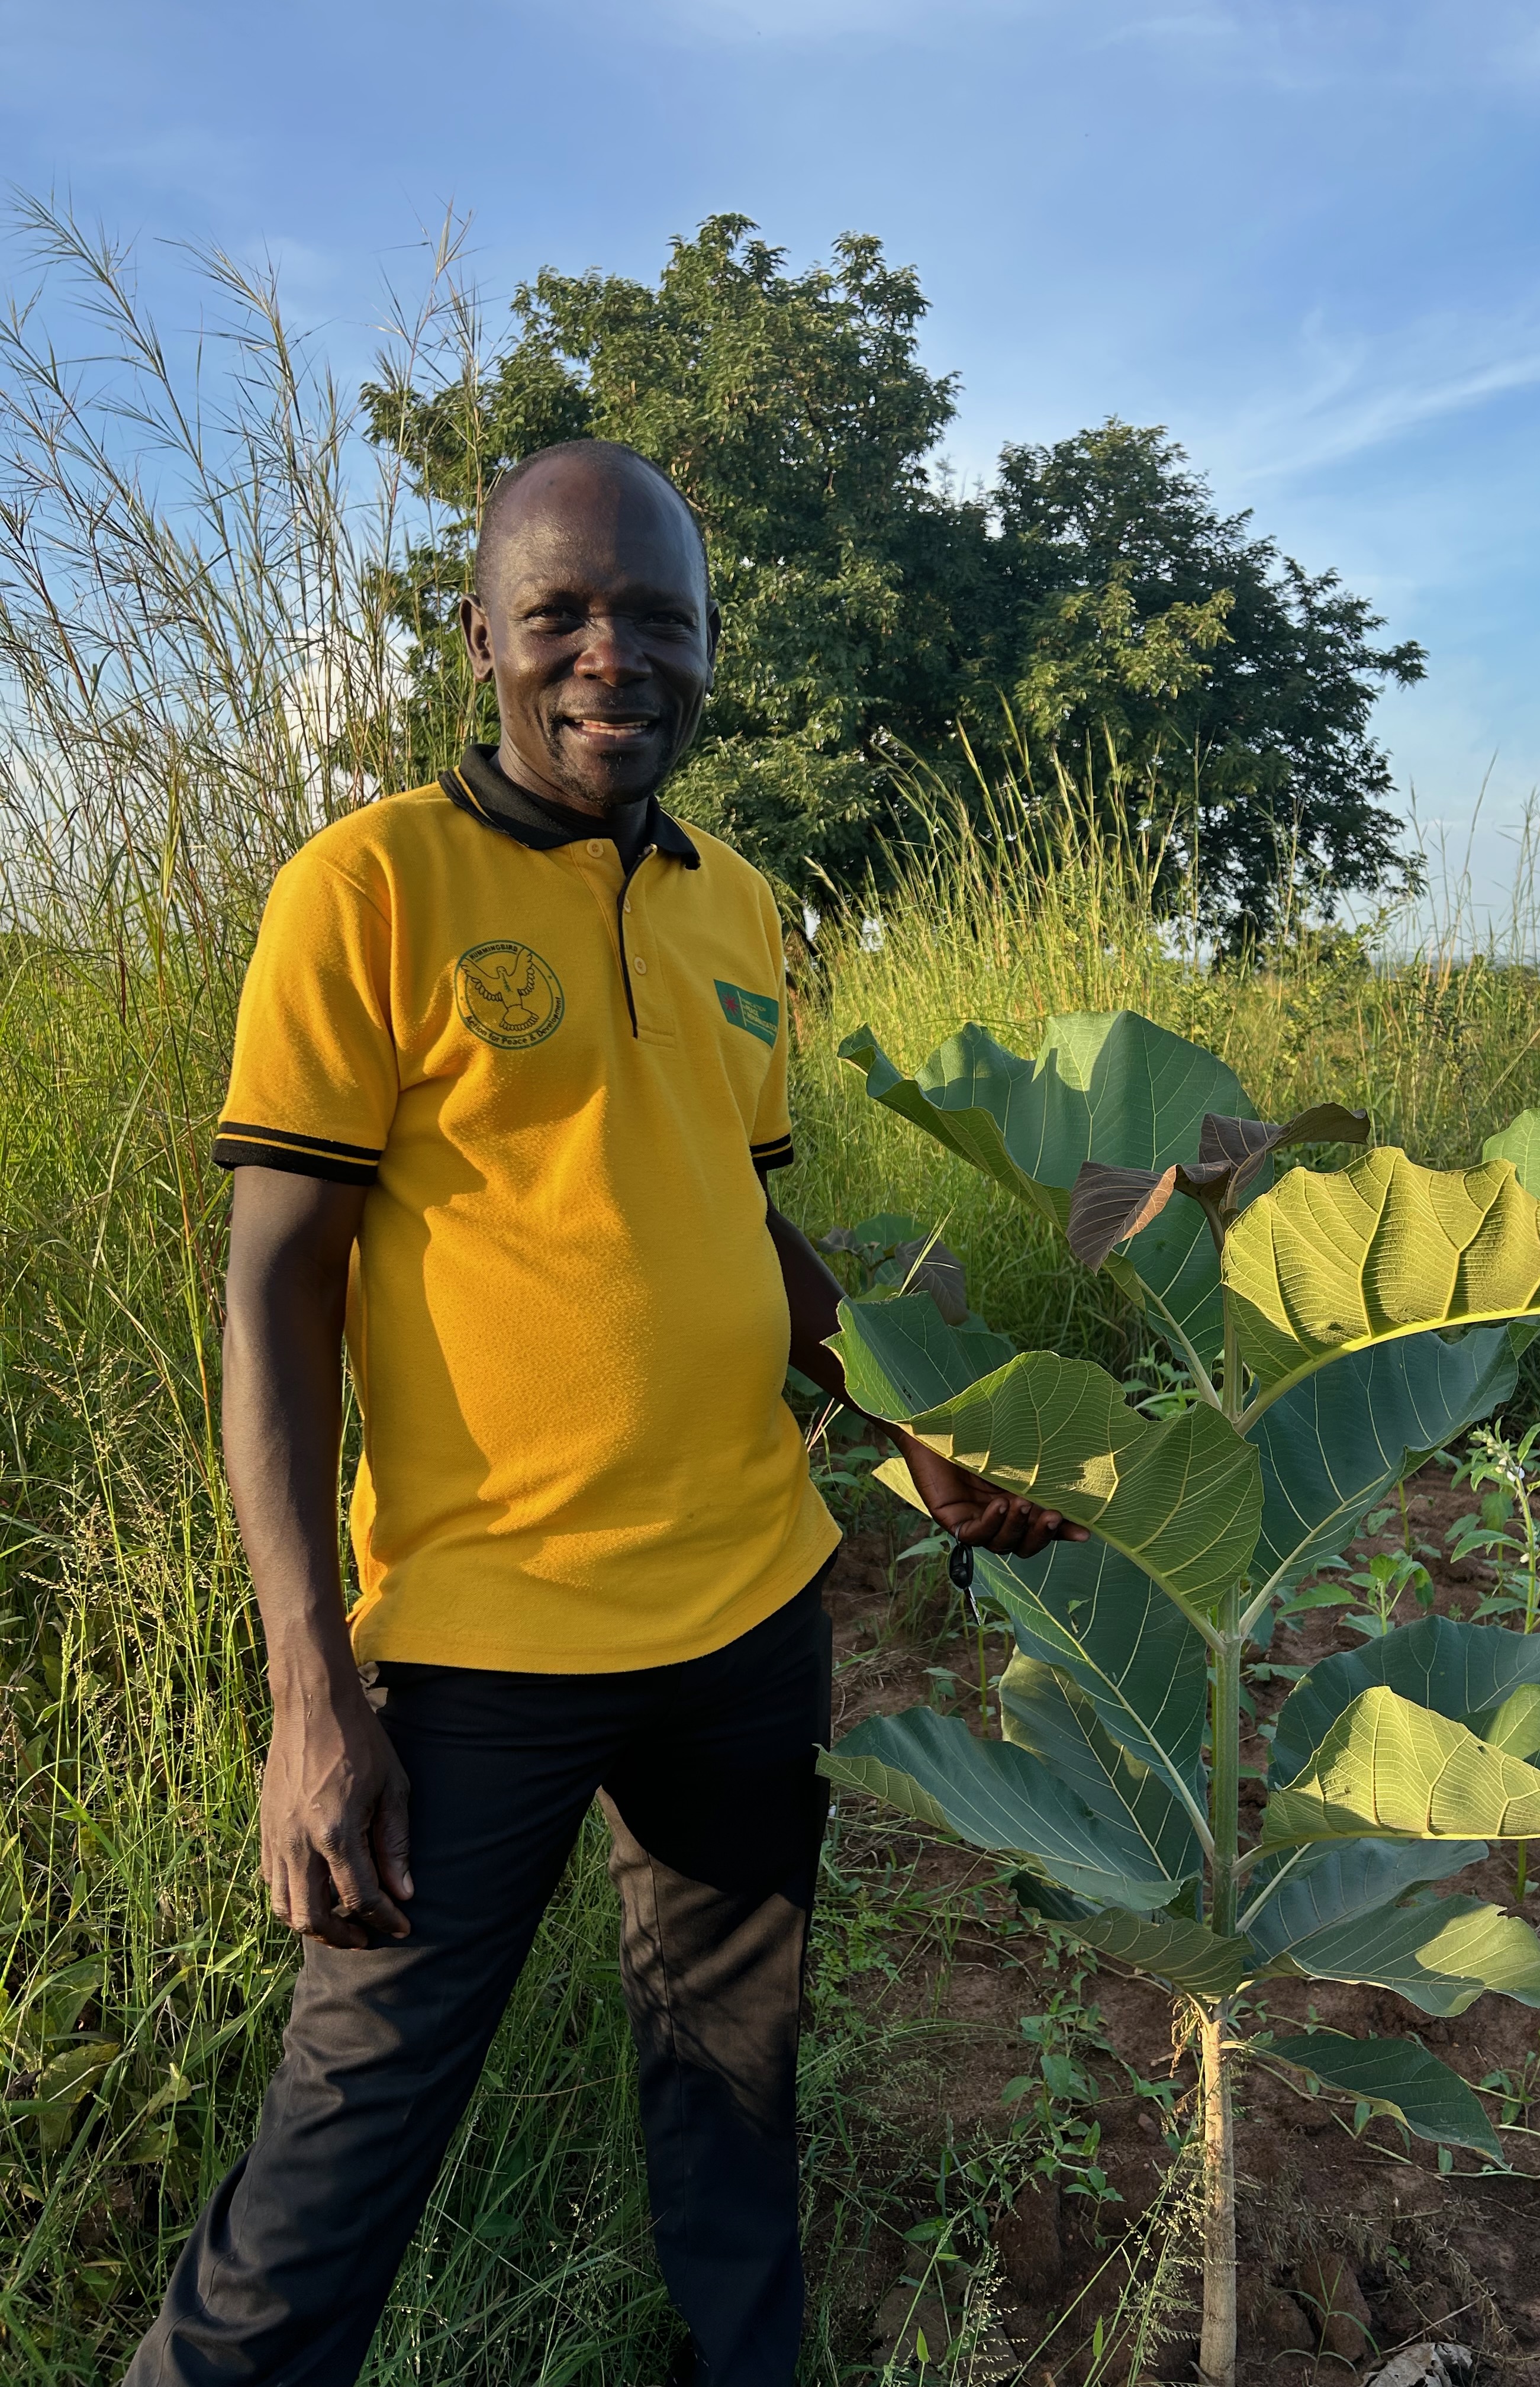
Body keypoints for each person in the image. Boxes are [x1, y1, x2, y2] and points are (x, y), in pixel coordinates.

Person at [124, 439, 1085, 2387]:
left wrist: (904, 1414)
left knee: (736, 2097)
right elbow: (275, 1290)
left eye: (657, 616)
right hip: (480, 1647)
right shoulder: (370, 886)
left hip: (750, 1613)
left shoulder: (738, 906)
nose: (609, 658)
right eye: (558, 613)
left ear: (713, 642)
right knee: (338, 2166)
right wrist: (310, 1692)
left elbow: (736, 1215)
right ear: (480, 635)